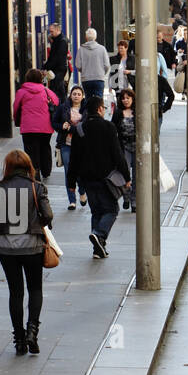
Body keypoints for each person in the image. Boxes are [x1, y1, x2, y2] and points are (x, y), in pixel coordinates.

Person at [0, 149, 53, 355]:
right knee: (35, 289)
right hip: (32, 245)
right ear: (28, 167)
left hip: (7, 247)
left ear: (7, 167)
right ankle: (32, 333)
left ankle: (19, 338)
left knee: (15, 292)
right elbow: (47, 215)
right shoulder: (37, 187)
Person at [67, 94, 130, 258]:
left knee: (96, 211)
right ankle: (100, 234)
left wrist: (71, 182)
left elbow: (74, 157)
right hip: (105, 178)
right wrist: (127, 176)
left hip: (86, 178)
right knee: (112, 210)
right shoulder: (108, 127)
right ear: (100, 109)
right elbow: (118, 154)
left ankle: (98, 249)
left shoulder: (80, 128)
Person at [11, 69, 60, 181]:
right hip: (45, 127)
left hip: (28, 127)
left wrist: (17, 120)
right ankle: (46, 171)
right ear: (40, 79)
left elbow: (16, 108)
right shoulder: (46, 91)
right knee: (45, 148)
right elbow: (56, 101)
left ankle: (35, 173)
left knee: (31, 151)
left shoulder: (21, 92)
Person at [54, 84, 88, 211]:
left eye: (79, 94)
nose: (76, 96)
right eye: (74, 94)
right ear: (70, 95)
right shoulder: (63, 107)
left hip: (81, 145)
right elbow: (54, 122)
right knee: (69, 172)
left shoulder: (86, 109)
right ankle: (72, 200)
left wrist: (72, 128)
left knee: (80, 171)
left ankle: (82, 191)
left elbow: (87, 126)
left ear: (82, 96)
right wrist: (61, 126)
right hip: (65, 144)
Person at [112, 88, 138, 212]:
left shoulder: (138, 111)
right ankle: (126, 197)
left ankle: (134, 201)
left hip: (137, 146)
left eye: (128, 98)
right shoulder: (118, 113)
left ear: (133, 99)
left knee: (137, 176)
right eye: (123, 98)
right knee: (125, 173)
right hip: (124, 146)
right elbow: (113, 129)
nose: (125, 100)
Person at [75, 28, 110, 102]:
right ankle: (98, 112)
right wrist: (102, 73)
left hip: (86, 79)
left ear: (86, 37)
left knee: (88, 98)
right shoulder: (102, 49)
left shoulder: (81, 49)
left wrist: (84, 70)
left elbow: (78, 65)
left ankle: (89, 113)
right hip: (99, 78)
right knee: (99, 100)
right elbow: (107, 65)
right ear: (95, 37)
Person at [43, 22, 70, 99]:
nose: (50, 33)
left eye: (52, 31)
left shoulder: (61, 41)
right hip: (56, 69)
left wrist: (46, 67)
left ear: (58, 30)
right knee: (58, 90)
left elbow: (56, 58)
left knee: (57, 91)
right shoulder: (56, 40)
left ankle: (60, 107)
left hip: (59, 70)